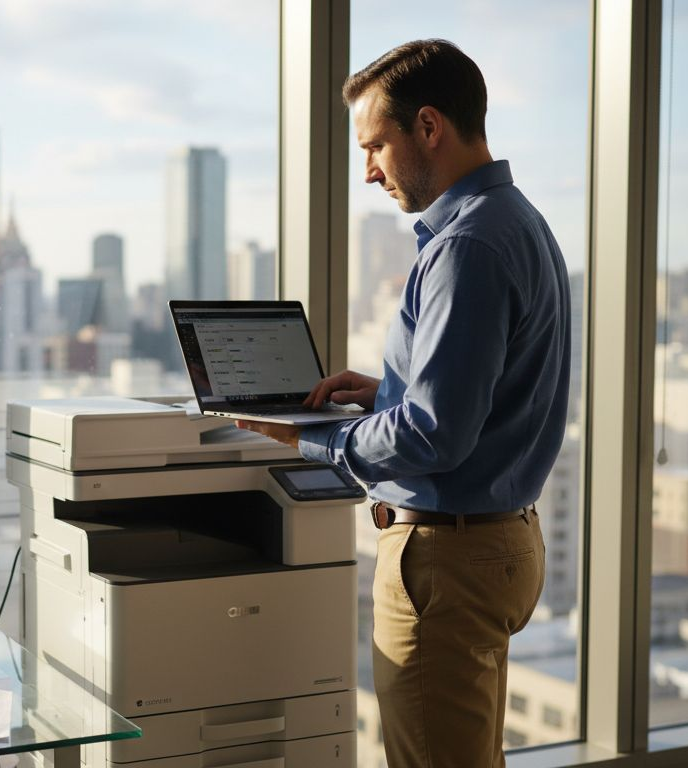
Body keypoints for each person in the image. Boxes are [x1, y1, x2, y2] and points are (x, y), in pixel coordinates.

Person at [235, 39, 570, 767]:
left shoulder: (466, 245)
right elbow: (482, 394)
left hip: (447, 559)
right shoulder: (520, 221)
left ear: (428, 126)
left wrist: (310, 439)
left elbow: (434, 437)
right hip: (499, 540)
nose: (368, 172)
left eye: (375, 146)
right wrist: (387, 393)